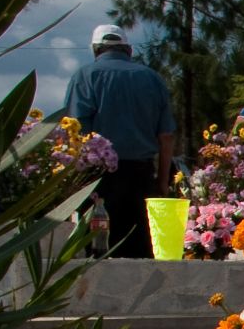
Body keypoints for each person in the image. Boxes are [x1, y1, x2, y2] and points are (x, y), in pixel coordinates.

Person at [64, 24, 175, 259]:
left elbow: (75, 133)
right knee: (141, 253)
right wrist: (163, 182)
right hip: (141, 177)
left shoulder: (85, 76)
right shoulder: (152, 78)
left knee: (98, 252)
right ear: (129, 50)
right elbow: (166, 136)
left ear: (96, 50)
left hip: (97, 179)